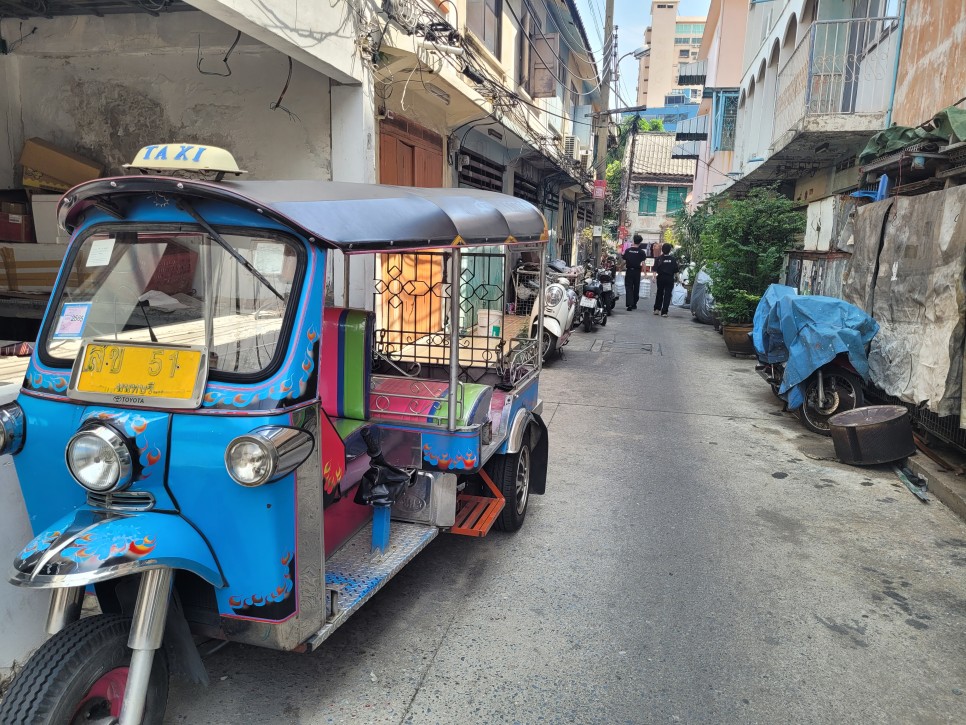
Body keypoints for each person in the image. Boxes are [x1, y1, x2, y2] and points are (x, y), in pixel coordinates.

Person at [653, 243, 679, 317]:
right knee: (667, 295)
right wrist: (679, 279)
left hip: (660, 278)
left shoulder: (659, 259)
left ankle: (657, 309)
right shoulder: (673, 259)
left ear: (662, 250)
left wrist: (654, 277)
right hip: (669, 279)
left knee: (659, 293)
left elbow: (655, 269)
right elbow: (676, 271)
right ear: (670, 250)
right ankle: (664, 312)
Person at [622, 234, 647, 310]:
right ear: (640, 243)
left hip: (629, 271)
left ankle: (629, 304)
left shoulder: (628, 250)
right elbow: (643, 263)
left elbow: (624, 261)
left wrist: (619, 267)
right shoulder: (641, 252)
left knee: (629, 287)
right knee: (636, 287)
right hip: (637, 272)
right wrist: (645, 273)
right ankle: (634, 303)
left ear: (633, 241)